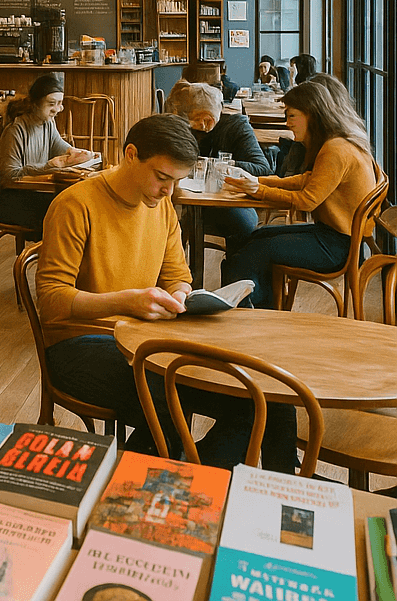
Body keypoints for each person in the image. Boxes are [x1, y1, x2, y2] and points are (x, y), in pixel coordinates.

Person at [37, 114, 296, 471]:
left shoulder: (160, 206)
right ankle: (172, 478)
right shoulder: (75, 205)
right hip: (78, 343)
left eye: (177, 181)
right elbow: (51, 300)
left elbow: (178, 275)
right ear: (131, 155)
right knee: (169, 396)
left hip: (144, 340)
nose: (169, 191)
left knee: (266, 396)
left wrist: (181, 295)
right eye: (162, 177)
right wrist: (128, 301)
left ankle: (275, 489)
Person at [222, 80, 377, 308]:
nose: (287, 123)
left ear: (311, 115)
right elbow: (309, 180)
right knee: (256, 237)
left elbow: (307, 201)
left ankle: (245, 313)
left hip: (336, 247)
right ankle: (263, 310)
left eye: (292, 116)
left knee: (255, 249)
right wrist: (259, 181)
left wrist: (260, 190)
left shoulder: (335, 149)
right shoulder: (341, 142)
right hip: (340, 239)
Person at [164, 80, 272, 251]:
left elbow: (263, 169)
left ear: (207, 120)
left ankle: (235, 274)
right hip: (190, 202)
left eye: (191, 122)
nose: (187, 128)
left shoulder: (236, 127)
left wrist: (219, 166)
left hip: (231, 204)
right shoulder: (183, 127)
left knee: (242, 225)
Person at [0, 72, 94, 237]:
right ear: (35, 104)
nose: (57, 109)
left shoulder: (47, 122)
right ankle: (54, 260)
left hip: (32, 192)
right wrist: (49, 166)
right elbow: (8, 177)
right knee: (67, 213)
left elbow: (56, 143)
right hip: (11, 201)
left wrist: (72, 151)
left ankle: (67, 260)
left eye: (60, 103)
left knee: (78, 206)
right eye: (52, 103)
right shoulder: (16, 130)